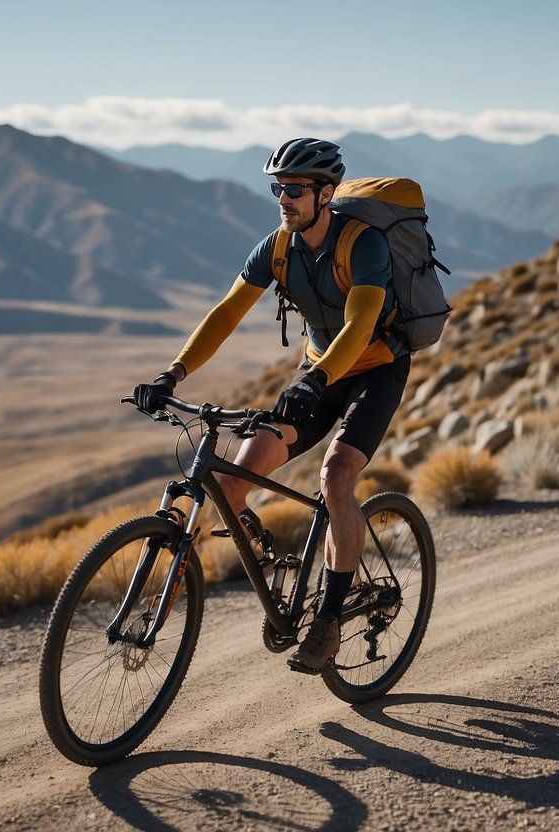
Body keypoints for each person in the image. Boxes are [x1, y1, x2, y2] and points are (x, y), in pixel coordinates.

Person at [132, 137, 411, 674]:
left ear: (325, 193)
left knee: (335, 478)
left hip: (374, 369)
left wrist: (320, 378)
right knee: (232, 484)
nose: (283, 198)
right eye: (277, 189)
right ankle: (269, 567)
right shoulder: (277, 247)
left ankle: (329, 617)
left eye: (295, 190)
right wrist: (174, 372)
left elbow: (360, 325)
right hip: (318, 372)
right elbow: (226, 312)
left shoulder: (364, 245)